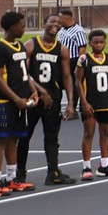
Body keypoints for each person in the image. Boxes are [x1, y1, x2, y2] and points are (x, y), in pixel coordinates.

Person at [17, 14, 78, 186]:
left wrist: (71, 104)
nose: (56, 25)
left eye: (59, 23)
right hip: (33, 99)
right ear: (44, 24)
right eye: (52, 22)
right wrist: (40, 91)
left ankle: (53, 172)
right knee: (25, 136)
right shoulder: (31, 45)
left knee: (52, 137)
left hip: (53, 100)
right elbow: (24, 74)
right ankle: (20, 173)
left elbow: (67, 77)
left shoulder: (62, 49)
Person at [0, 12, 39, 197]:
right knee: (0, 140)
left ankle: (12, 178)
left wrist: (32, 90)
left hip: (20, 100)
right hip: (4, 101)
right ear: (12, 27)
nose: (24, 28)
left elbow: (24, 74)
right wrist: (16, 99)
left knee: (14, 138)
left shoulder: (20, 46)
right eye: (21, 25)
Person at [75, 29, 108, 179]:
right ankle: (86, 167)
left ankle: (104, 165)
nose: (99, 44)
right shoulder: (84, 59)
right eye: (95, 42)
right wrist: (83, 102)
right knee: (88, 133)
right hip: (90, 102)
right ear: (90, 43)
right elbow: (78, 81)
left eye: (101, 42)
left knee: (105, 133)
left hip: (105, 101)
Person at [56, 8, 87, 115]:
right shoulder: (61, 29)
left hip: (73, 60)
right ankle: (57, 109)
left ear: (66, 18)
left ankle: (72, 108)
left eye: (60, 18)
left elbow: (82, 47)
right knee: (57, 85)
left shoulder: (78, 31)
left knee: (74, 86)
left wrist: (79, 64)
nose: (58, 21)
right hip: (60, 61)